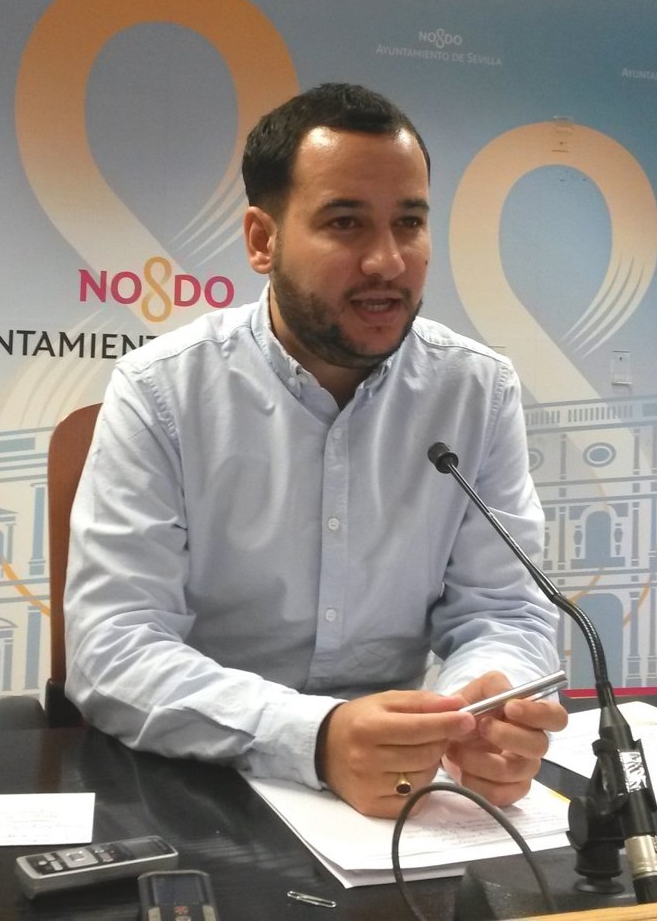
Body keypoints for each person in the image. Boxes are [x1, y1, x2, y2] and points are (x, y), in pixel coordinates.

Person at [64, 82, 566, 819]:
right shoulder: (162, 391)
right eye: (345, 223)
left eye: (410, 223)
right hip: (204, 787)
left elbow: (506, 612)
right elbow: (114, 646)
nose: (387, 261)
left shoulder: (476, 390)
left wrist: (482, 706)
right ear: (262, 241)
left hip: (402, 793)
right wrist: (317, 738)